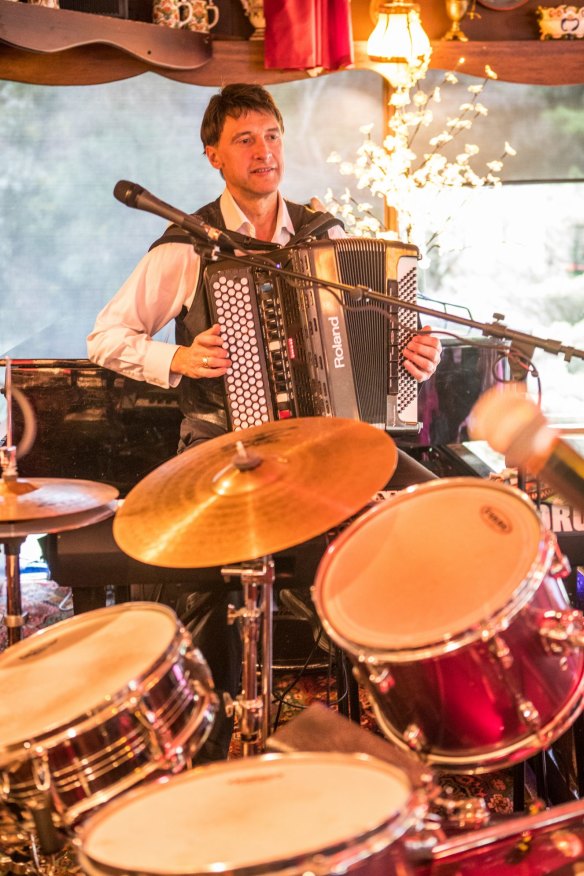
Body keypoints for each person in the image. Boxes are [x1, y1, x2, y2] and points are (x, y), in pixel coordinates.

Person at [88, 83, 442, 760]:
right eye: (245, 139)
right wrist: (179, 355)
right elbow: (106, 338)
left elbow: (378, 346)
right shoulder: (185, 248)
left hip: (318, 454)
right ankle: (210, 744)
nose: (264, 151)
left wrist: (413, 358)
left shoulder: (325, 236)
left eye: (273, 135)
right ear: (213, 155)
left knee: (404, 533)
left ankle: (387, 726)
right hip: (225, 455)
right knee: (209, 608)